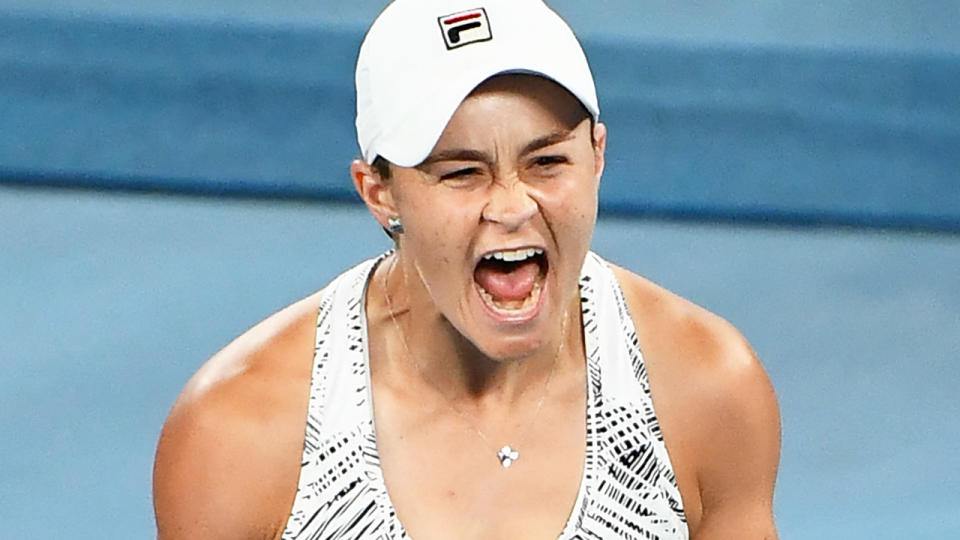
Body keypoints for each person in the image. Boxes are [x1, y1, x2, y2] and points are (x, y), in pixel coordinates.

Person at [153, 0, 781, 538]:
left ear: (597, 156)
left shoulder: (704, 391)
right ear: (380, 193)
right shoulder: (240, 435)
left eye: (546, 163)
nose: (511, 206)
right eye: (461, 173)